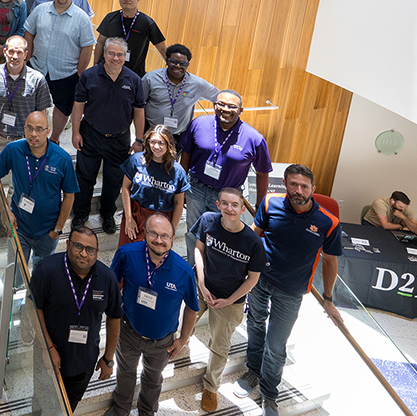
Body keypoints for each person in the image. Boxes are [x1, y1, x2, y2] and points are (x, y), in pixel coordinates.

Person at [235, 164, 344, 416]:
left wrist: (328, 299)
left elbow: (330, 260)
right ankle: (253, 370)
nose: (299, 190)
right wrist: (243, 269)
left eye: (304, 186)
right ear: (285, 184)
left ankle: (270, 393)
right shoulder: (270, 203)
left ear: (313, 189)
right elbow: (254, 235)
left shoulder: (328, 221)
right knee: (255, 323)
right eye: (293, 184)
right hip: (260, 281)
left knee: (276, 343)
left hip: (292, 291)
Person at [107, 214, 199, 416]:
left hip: (162, 342)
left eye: (165, 236)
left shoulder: (184, 272)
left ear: (173, 239)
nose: (159, 240)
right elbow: (111, 288)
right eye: (154, 234)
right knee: (125, 372)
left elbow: (192, 307)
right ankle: (121, 408)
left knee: (153, 378)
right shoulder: (126, 254)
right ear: (145, 234)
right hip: (129, 332)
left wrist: (182, 339)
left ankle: (147, 411)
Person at [31, 225, 122, 412]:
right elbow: (33, 308)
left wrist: (109, 358)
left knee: (67, 407)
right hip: (47, 355)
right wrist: (49, 348)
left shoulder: (107, 278)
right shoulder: (46, 270)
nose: (83, 254)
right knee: (41, 402)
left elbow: (114, 317)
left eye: (90, 250)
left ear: (96, 252)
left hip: (83, 361)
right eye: (78, 246)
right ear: (67, 245)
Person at [192, 187, 266, 412]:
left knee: (220, 347)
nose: (229, 208)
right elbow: (198, 249)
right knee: (182, 324)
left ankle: (210, 387)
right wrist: (201, 282)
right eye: (225, 203)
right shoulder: (207, 220)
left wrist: (228, 300)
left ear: (243, 209)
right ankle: (176, 346)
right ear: (218, 205)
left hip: (230, 301)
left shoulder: (253, 242)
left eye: (235, 205)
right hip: (202, 288)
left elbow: (252, 280)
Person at [180, 89, 273, 266]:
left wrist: (260, 205)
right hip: (196, 189)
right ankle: (192, 271)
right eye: (221, 104)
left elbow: (262, 173)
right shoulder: (199, 123)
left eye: (232, 106)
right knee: (193, 232)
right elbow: (186, 155)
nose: (225, 109)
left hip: (227, 197)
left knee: (220, 238)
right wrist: (181, 186)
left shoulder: (254, 138)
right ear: (215, 106)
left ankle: (212, 274)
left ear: (240, 110)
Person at [0, 35, 52, 234]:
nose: (15, 56)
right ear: (4, 52)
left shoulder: (37, 80)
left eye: (19, 52)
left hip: (23, 143)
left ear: (26, 55)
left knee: (15, 189)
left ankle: (7, 227)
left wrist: (38, 145)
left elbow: (42, 117)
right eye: (11, 51)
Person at [71, 37, 145, 234]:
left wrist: (138, 140)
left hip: (119, 139)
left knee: (114, 181)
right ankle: (80, 215)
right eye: (111, 53)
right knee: (85, 178)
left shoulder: (134, 80)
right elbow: (78, 106)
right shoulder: (89, 76)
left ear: (125, 57)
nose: (115, 58)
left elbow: (139, 111)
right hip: (90, 135)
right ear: (103, 54)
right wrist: (75, 132)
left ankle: (107, 214)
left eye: (120, 54)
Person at [0, 111, 78, 267]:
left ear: (47, 132)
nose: (33, 134)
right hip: (19, 227)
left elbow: (69, 195)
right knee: (15, 273)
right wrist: (5, 211)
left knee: (41, 277)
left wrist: (57, 230)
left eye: (38, 129)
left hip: (48, 231)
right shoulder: (13, 150)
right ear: (24, 129)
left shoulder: (62, 159)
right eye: (29, 128)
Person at [24, 0, 96, 144]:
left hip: (66, 72)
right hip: (37, 68)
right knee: (35, 105)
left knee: (63, 108)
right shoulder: (40, 10)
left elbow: (87, 46)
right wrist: (26, 59)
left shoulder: (82, 18)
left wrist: (79, 71)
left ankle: (54, 139)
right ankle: (35, 138)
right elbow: (29, 33)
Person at [120, 125, 188, 246]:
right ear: (147, 142)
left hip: (162, 218)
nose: (156, 147)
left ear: (169, 145)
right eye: (153, 142)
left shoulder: (177, 171)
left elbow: (179, 203)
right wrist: (129, 219)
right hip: (136, 214)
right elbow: (125, 188)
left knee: (154, 257)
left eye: (161, 143)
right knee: (128, 253)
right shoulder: (136, 160)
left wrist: (172, 230)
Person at [141, 44, 219, 142]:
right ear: (167, 61)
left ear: (187, 65)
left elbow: (220, 97)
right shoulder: (150, 78)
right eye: (174, 62)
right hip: (151, 132)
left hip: (178, 136)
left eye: (182, 63)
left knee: (173, 158)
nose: (178, 66)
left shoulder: (197, 84)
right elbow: (138, 104)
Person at [93, 0, 167, 77]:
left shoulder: (147, 22)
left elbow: (161, 47)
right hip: (107, 70)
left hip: (133, 73)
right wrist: (95, 65)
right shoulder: (110, 18)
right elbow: (100, 42)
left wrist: (172, 68)